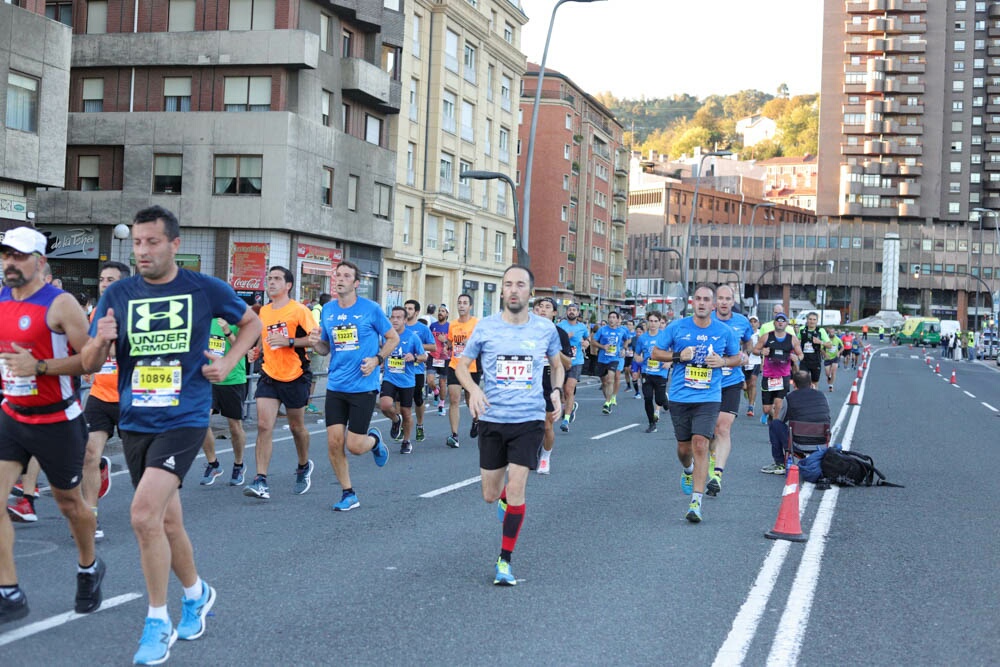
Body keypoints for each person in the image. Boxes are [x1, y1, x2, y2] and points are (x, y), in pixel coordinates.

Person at [84, 206, 262, 663]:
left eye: (151, 242)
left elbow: (252, 323)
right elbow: (88, 362)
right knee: (167, 521)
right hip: (136, 418)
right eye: (137, 243)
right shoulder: (118, 294)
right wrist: (100, 341)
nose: (142, 250)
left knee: (143, 514)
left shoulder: (202, 288)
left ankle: (157, 621)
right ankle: (197, 593)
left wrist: (226, 363)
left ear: (174, 244)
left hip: (185, 417)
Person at [0, 227, 104, 625]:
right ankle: (9, 591)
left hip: (58, 419)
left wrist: (40, 367)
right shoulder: (1, 299)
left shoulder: (60, 305)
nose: (10, 262)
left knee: (69, 505)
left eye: (19, 255)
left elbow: (90, 361)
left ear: (40, 262)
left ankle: (88, 566)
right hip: (12, 414)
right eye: (6, 254)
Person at [456, 265, 563, 585]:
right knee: (491, 495)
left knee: (517, 489)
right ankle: (503, 499)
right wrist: (473, 389)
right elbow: (462, 366)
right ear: (502, 292)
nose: (513, 290)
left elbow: (556, 365)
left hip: (528, 420)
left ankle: (505, 560)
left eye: (520, 285)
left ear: (530, 292)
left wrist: (555, 391)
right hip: (492, 418)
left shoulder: (544, 329)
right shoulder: (486, 328)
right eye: (508, 285)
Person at [307, 261, 396, 512]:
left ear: (357, 283)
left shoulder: (371, 309)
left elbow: (393, 338)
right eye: (338, 275)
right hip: (336, 385)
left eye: (347, 276)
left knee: (355, 446)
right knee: (334, 443)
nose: (340, 279)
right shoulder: (328, 310)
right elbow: (326, 347)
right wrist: (315, 343)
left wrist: (378, 359)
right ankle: (348, 493)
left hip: (363, 386)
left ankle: (375, 442)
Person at [650, 284, 740, 523]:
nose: (701, 303)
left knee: (700, 444)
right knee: (684, 449)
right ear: (692, 303)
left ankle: (696, 504)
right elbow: (656, 353)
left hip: (709, 398)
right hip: (680, 396)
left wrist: (722, 361)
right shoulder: (677, 327)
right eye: (697, 298)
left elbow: (738, 358)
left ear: (713, 305)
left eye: (706, 299)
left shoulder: (723, 331)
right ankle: (688, 470)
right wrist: (680, 356)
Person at [243, 266, 317, 500]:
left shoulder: (299, 310)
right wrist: (254, 352)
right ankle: (261, 480)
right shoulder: (263, 311)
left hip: (295, 374)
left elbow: (315, 340)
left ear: (288, 286)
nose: (271, 282)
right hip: (269, 374)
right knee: (264, 426)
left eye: (277, 279)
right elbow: (263, 339)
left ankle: (304, 465)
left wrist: (289, 341)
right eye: (269, 278)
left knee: (297, 428)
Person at [80, 260, 130, 540]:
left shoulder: (136, 311)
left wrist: (105, 349)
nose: (104, 284)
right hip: (100, 395)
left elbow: (121, 349)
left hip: (130, 397)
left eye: (111, 279)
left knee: (142, 463)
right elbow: (91, 348)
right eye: (102, 279)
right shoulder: (97, 312)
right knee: (88, 454)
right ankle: (91, 517)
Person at [707, 284, 754, 497]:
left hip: (732, 381)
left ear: (733, 301)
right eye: (721, 298)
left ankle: (717, 474)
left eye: (728, 298)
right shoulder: (706, 320)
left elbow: (749, 344)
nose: (724, 302)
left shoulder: (742, 322)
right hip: (707, 381)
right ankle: (710, 457)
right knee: (707, 433)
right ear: (715, 301)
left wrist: (745, 355)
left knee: (723, 428)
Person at [199, 317, 249, 486]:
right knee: (202, 421)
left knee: (235, 426)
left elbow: (243, 349)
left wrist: (228, 331)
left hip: (233, 379)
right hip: (209, 379)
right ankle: (213, 464)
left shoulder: (239, 319)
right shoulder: (205, 318)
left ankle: (239, 464)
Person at [761, 370, 831, 474]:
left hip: (799, 443)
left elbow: (780, 420)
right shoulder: (822, 396)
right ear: (811, 383)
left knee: (775, 424)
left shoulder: (789, 398)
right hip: (821, 442)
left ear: (794, 384)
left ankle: (780, 463)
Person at [379, 306, 427, 455]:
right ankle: (395, 420)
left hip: (407, 380)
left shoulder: (412, 337)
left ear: (405, 320)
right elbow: (381, 350)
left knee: (407, 413)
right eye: (392, 317)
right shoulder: (386, 336)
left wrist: (415, 357)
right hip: (390, 377)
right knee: (385, 405)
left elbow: (424, 356)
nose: (394, 320)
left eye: (398, 317)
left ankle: (406, 441)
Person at [532, 297, 572, 474]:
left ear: (554, 313)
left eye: (547, 307)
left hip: (549, 379)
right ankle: (530, 451)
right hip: (529, 380)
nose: (543, 310)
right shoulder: (527, 331)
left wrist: (553, 351)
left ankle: (545, 457)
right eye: (540, 307)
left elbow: (568, 363)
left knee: (547, 425)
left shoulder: (559, 333)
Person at [754, 313, 802, 426]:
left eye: (783, 321)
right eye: (778, 320)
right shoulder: (766, 336)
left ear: (786, 323)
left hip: (783, 375)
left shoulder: (792, 339)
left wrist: (797, 357)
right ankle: (771, 416)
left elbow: (801, 354)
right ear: (774, 323)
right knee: (766, 408)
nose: (780, 322)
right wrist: (761, 352)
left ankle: (776, 425)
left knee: (779, 402)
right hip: (768, 375)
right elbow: (755, 350)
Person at [445, 294, 479, 448]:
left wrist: (470, 342)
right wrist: (447, 345)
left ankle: (476, 420)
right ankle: (454, 435)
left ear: (470, 306)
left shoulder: (476, 323)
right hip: (455, 365)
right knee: (453, 399)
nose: (462, 306)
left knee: (471, 400)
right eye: (459, 303)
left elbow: (482, 343)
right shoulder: (452, 324)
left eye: (465, 303)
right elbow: (451, 342)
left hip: (471, 367)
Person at [403, 299, 436, 443]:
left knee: (417, 399)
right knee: (400, 401)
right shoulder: (399, 327)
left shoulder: (422, 329)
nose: (407, 311)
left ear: (416, 312)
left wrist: (417, 344)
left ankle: (420, 425)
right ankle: (402, 427)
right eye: (406, 308)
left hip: (416, 370)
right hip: (400, 369)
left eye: (410, 309)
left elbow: (433, 347)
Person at [632, 310, 669, 432]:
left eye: (656, 321)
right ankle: (651, 423)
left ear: (659, 322)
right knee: (647, 397)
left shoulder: (665, 336)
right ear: (648, 322)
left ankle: (664, 399)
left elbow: (674, 352)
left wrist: (669, 362)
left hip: (661, 372)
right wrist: (639, 359)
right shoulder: (642, 338)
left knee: (658, 399)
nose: (653, 324)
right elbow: (636, 354)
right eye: (651, 321)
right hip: (647, 372)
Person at [557, 302, 589, 432]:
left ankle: (566, 420)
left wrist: (587, 342)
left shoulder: (582, 327)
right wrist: (564, 337)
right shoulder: (559, 326)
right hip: (561, 362)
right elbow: (553, 341)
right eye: (569, 310)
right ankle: (570, 407)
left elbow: (588, 338)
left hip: (576, 362)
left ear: (578, 313)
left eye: (574, 310)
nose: (571, 312)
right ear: (566, 312)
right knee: (561, 392)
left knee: (569, 390)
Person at [592, 311, 627, 414]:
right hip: (602, 359)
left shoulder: (621, 331)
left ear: (617, 320)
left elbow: (626, 340)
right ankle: (607, 399)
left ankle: (608, 402)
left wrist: (623, 349)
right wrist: (603, 347)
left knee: (610, 380)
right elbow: (593, 341)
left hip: (614, 358)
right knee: (604, 383)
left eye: (614, 317)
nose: (611, 319)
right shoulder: (602, 330)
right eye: (610, 317)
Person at [306, 293, 332, 414]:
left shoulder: (319, 310)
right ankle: (308, 404)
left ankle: (307, 402)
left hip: (315, 347)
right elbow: (314, 329)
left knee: (312, 376)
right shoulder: (318, 311)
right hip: (314, 349)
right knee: (313, 376)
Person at [798, 312, 832, 389]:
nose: (812, 321)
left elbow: (830, 345)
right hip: (804, 360)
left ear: (817, 321)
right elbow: (795, 341)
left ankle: (813, 398)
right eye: (810, 319)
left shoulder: (821, 331)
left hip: (815, 361)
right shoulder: (802, 329)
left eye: (814, 319)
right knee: (802, 381)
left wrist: (820, 342)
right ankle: (803, 398)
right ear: (807, 320)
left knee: (814, 382)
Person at [428, 305, 450, 416]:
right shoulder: (433, 326)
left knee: (442, 383)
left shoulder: (450, 327)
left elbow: (453, 344)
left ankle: (441, 404)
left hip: (444, 358)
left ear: (447, 314)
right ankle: (435, 392)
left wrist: (445, 340)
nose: (440, 313)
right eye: (439, 311)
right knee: (430, 380)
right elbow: (428, 339)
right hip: (433, 356)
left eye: (443, 311)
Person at [743, 315, 762, 416]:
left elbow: (763, 348)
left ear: (758, 324)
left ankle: (751, 406)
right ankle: (747, 392)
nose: (753, 324)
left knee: (753, 383)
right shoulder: (745, 333)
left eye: (755, 322)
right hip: (744, 362)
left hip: (756, 361)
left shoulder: (760, 334)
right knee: (745, 386)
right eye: (751, 321)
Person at [823, 326, 844, 391]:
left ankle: (831, 386)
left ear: (834, 332)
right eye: (830, 332)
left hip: (835, 357)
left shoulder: (838, 339)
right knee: (827, 373)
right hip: (827, 358)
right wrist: (825, 354)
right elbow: (821, 348)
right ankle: (829, 377)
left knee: (833, 372)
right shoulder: (825, 339)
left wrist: (839, 352)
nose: (831, 333)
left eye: (833, 332)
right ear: (828, 332)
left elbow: (843, 347)